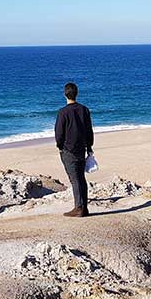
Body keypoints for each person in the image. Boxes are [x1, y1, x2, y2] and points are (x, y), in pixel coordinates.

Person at [54, 82, 94, 217]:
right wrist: (89, 147)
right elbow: (89, 130)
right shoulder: (84, 110)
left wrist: (60, 147)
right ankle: (84, 207)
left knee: (75, 179)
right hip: (81, 149)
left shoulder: (63, 112)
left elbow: (59, 133)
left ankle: (79, 208)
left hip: (68, 150)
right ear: (76, 94)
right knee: (81, 178)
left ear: (65, 94)